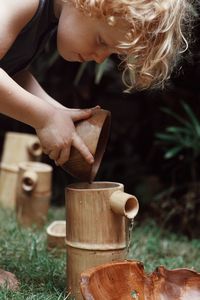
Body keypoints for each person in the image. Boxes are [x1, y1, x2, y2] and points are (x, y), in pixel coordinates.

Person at [0, 0, 195, 290]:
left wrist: (54, 112)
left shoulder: (45, 18)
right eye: (101, 39)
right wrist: (43, 118)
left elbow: (9, 68)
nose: (101, 57)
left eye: (112, 52)